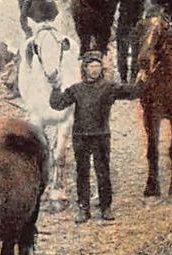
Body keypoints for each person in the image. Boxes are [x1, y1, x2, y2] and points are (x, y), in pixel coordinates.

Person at [47, 51, 142, 224]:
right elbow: (57, 104)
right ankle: (84, 209)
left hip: (101, 136)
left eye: (97, 66)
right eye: (91, 66)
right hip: (81, 137)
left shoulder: (109, 87)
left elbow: (134, 93)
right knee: (82, 173)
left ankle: (106, 207)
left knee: (103, 172)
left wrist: (143, 77)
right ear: (84, 68)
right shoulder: (76, 89)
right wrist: (55, 87)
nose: (94, 70)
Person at [113, 0, 151, 83]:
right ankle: (123, 79)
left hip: (138, 27)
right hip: (123, 27)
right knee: (121, 55)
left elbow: (153, 7)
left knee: (137, 54)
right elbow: (109, 7)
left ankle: (134, 78)